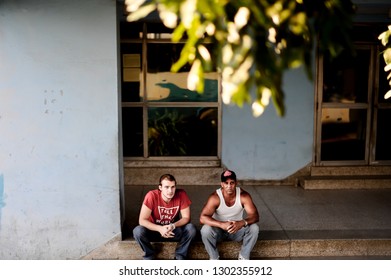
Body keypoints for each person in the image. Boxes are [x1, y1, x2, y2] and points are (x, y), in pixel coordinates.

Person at [133, 174, 197, 260]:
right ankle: (149, 255)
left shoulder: (181, 194)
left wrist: (172, 226)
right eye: (166, 187)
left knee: (191, 229)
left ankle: (180, 255)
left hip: (172, 231)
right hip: (154, 231)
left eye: (173, 187)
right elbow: (142, 220)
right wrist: (160, 228)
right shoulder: (151, 195)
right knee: (138, 231)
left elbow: (186, 218)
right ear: (160, 187)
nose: (170, 191)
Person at [200, 170, 260, 260]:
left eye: (232, 183)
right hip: (219, 231)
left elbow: (255, 215)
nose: (229, 186)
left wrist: (242, 223)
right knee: (205, 230)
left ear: (236, 183)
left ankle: (243, 257)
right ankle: (214, 258)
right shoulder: (215, 197)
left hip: (237, 231)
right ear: (222, 184)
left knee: (254, 228)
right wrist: (221, 224)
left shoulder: (243, 196)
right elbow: (202, 218)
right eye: (226, 183)